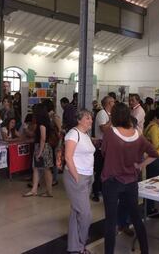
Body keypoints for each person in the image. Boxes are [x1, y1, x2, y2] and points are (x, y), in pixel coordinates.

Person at [101, 103, 159, 254]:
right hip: (131, 182)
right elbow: (154, 154)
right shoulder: (137, 134)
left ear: (113, 116)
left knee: (110, 221)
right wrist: (140, 165)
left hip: (112, 182)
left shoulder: (109, 133)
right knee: (136, 218)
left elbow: (104, 153)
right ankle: (145, 250)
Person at [63, 109, 95, 254]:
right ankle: (82, 242)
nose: (91, 121)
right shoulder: (73, 134)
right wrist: (76, 177)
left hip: (87, 176)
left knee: (77, 212)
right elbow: (68, 157)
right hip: (77, 177)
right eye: (87, 118)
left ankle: (75, 247)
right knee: (85, 214)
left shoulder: (85, 134)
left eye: (91, 118)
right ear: (79, 120)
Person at [23, 104, 54, 197]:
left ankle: (48, 191)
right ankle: (34, 189)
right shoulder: (46, 122)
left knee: (46, 169)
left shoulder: (42, 123)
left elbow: (43, 138)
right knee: (36, 168)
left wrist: (40, 152)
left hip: (42, 147)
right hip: (44, 147)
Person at [143, 107, 159, 217]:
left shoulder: (149, 126)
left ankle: (148, 207)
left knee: (150, 182)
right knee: (153, 184)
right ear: (156, 118)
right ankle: (150, 209)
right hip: (155, 158)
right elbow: (155, 145)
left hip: (151, 158)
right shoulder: (154, 128)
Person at [91, 95, 115, 202]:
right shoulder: (102, 113)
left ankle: (102, 189)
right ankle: (95, 192)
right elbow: (104, 129)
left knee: (106, 170)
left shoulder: (109, 114)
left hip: (108, 147)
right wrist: (111, 120)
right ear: (109, 103)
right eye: (113, 102)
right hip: (100, 148)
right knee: (100, 170)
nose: (114, 104)